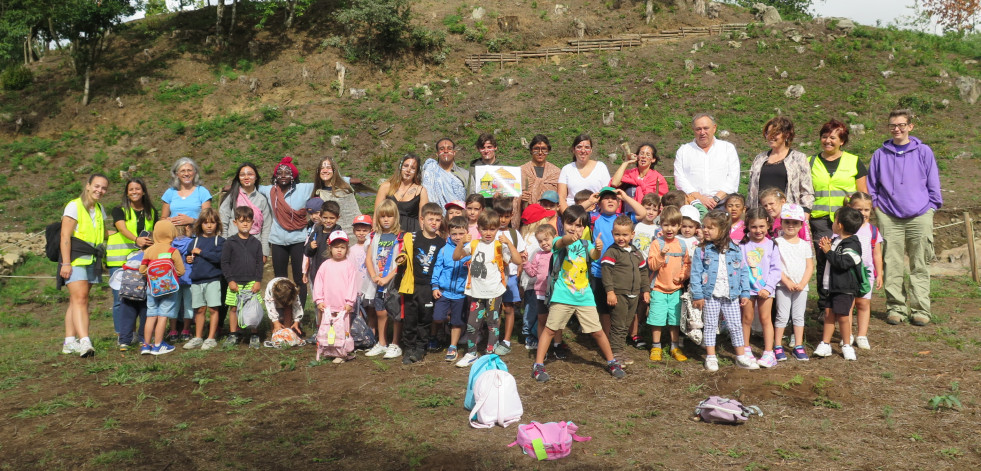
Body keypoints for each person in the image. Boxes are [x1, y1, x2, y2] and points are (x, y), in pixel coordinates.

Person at [531, 205, 626, 382]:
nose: (575, 228)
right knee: (550, 329)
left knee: (597, 331)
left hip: (584, 296)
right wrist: (569, 237)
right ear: (563, 223)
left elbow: (595, 256)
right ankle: (538, 364)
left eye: (580, 225)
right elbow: (561, 243)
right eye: (571, 223)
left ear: (585, 228)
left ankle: (611, 361)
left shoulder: (586, 243)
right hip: (562, 295)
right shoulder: (558, 241)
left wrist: (598, 248)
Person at [868, 109, 942, 326]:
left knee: (920, 263)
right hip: (889, 217)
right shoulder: (880, 154)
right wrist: (878, 209)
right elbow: (872, 185)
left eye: (901, 125)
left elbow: (933, 183)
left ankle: (921, 310)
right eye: (893, 125)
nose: (897, 129)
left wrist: (931, 208)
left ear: (910, 126)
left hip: (920, 215)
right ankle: (896, 307)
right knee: (892, 263)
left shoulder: (924, 151)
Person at [810, 119, 867, 317]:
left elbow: (863, 194)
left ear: (842, 140)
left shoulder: (854, 161)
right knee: (824, 261)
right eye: (824, 136)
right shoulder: (811, 162)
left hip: (847, 222)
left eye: (833, 137)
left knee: (846, 261)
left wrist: (862, 219)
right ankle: (824, 306)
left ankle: (846, 303)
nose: (827, 141)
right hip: (821, 221)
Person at [690, 210, 756, 371]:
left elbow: (743, 271)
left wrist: (745, 292)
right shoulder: (702, 250)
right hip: (710, 294)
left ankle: (740, 356)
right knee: (711, 325)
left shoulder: (735, 250)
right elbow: (696, 273)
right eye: (704, 226)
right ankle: (711, 356)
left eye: (710, 228)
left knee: (735, 325)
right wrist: (697, 295)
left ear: (723, 230)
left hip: (731, 294)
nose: (705, 230)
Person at [453, 208, 517, 367]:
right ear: (479, 229)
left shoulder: (499, 246)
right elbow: (456, 257)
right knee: (472, 323)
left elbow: (517, 260)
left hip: (494, 293)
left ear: (497, 229)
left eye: (492, 229)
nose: (488, 232)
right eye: (484, 228)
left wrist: (508, 243)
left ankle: (490, 354)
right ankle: (471, 353)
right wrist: (461, 242)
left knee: (493, 323)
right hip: (476, 292)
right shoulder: (474, 244)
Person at [59, 174, 110, 357]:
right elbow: (65, 236)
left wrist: (128, 234)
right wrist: (65, 263)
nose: (100, 190)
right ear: (88, 186)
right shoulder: (74, 205)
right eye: (96, 186)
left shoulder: (99, 208)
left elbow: (103, 233)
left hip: (92, 258)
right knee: (80, 298)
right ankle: (85, 341)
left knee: (77, 300)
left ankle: (69, 341)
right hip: (75, 258)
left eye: (103, 188)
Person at [106, 178, 156, 351]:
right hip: (119, 259)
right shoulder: (119, 210)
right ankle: (123, 334)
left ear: (143, 191)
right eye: (131, 189)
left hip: (141, 260)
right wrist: (136, 239)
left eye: (137, 188)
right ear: (127, 192)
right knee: (120, 299)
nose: (134, 191)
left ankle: (141, 334)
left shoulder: (151, 212)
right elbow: (121, 228)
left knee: (141, 297)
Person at [589, 187, 647, 336]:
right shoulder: (594, 217)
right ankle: (608, 339)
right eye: (606, 198)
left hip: (622, 272)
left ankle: (629, 336)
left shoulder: (623, 218)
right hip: (600, 271)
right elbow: (575, 213)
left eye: (614, 198)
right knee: (604, 309)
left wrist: (626, 198)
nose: (610, 200)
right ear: (599, 202)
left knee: (626, 306)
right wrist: (590, 201)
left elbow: (642, 213)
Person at [260, 157, 315, 307]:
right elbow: (251, 187)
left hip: (299, 240)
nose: (283, 175)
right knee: (280, 280)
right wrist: (231, 188)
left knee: (300, 279)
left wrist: (349, 181)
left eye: (287, 172)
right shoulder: (269, 190)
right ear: (275, 176)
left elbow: (325, 181)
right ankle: (283, 314)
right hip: (277, 241)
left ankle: (299, 316)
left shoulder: (305, 188)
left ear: (294, 175)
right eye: (280, 172)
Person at [394, 202, 445, 364]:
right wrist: (401, 259)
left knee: (425, 319)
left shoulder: (441, 243)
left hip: (429, 287)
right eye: (430, 219)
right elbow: (404, 254)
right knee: (410, 318)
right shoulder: (412, 237)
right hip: (412, 285)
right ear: (422, 219)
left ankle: (420, 348)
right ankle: (408, 347)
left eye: (437, 220)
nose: (434, 223)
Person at [814, 207, 865, 360]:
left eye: (835, 220)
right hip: (832, 286)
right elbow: (827, 262)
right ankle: (825, 344)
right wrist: (823, 250)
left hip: (845, 288)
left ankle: (847, 345)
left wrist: (829, 252)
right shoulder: (836, 241)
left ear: (840, 225)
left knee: (843, 316)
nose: (832, 223)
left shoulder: (853, 245)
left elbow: (843, 263)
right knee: (829, 314)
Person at [601, 215, 650, 366]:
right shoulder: (612, 252)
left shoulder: (635, 252)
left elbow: (643, 271)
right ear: (612, 233)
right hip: (619, 294)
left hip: (634, 293)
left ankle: (619, 350)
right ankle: (615, 354)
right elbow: (607, 273)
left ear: (632, 235)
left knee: (627, 323)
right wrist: (610, 292)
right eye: (617, 234)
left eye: (624, 234)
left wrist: (645, 290)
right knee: (618, 325)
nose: (621, 238)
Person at [673, 114, 740, 217]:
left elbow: (733, 178)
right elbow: (679, 179)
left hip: (722, 205)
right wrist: (700, 198)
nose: (702, 132)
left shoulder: (727, 149)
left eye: (706, 128)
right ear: (693, 130)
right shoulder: (684, 151)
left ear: (714, 128)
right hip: (693, 207)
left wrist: (715, 199)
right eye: (698, 129)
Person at [646, 206, 690, 362]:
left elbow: (687, 263)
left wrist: (683, 276)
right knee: (656, 319)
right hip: (658, 288)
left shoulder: (682, 245)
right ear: (661, 225)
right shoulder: (657, 244)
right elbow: (652, 265)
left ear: (679, 226)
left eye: (673, 225)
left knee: (675, 320)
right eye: (666, 225)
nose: (669, 229)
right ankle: (656, 346)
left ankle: (674, 346)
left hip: (676, 290)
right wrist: (662, 254)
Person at [739, 208, 781, 368]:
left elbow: (776, 269)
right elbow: (739, 268)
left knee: (765, 319)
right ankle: (745, 349)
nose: (758, 230)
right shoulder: (742, 245)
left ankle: (769, 352)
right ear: (748, 226)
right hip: (747, 291)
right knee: (747, 319)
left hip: (766, 290)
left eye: (762, 226)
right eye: (754, 227)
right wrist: (743, 289)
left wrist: (768, 288)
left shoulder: (772, 245)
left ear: (768, 225)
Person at [363, 199, 404, 359]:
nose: (386, 219)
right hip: (377, 281)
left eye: (390, 216)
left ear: (396, 217)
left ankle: (395, 344)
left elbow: (401, 262)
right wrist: (374, 276)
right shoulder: (373, 236)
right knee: (380, 312)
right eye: (382, 216)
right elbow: (368, 259)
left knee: (395, 313)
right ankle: (381, 342)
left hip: (393, 282)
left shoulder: (401, 237)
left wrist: (387, 277)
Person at [746, 116, 814, 212]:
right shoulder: (759, 158)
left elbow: (806, 190)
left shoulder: (798, 158)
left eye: (775, 133)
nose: (770, 137)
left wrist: (806, 212)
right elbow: (750, 190)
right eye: (768, 133)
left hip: (788, 215)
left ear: (787, 135)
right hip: (761, 216)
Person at [774, 204, 814, 361]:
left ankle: (798, 346)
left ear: (801, 225)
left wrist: (803, 283)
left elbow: (810, 266)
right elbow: (775, 266)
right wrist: (786, 281)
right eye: (787, 222)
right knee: (782, 315)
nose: (791, 226)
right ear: (782, 223)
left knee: (798, 316)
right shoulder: (777, 242)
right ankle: (777, 346)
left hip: (801, 287)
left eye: (795, 223)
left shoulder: (804, 245)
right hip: (783, 286)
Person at [139, 220, 185, 356]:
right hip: (169, 289)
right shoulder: (173, 251)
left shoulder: (148, 250)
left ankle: (146, 345)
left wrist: (154, 276)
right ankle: (158, 345)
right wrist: (167, 276)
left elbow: (142, 270)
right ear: (172, 234)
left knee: (151, 315)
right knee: (163, 315)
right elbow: (181, 271)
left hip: (152, 288)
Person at [220, 206, 264, 348]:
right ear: (235, 223)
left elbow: (259, 264)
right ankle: (233, 334)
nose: (245, 224)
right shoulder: (229, 242)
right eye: (241, 221)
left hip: (251, 282)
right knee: (233, 308)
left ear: (253, 223)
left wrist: (257, 281)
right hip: (235, 283)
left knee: (253, 308)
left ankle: (254, 334)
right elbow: (225, 263)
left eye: (248, 221)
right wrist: (230, 280)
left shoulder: (256, 243)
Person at [313, 231, 359, 363]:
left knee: (343, 330)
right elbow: (318, 283)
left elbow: (352, 285)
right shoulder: (325, 265)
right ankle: (327, 350)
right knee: (326, 327)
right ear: (330, 248)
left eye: (342, 247)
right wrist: (319, 300)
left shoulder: (349, 266)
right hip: (327, 306)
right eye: (336, 247)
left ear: (347, 249)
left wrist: (350, 302)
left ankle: (342, 353)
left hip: (343, 306)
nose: (339, 250)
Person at [184, 208, 224, 350]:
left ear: (217, 224)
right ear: (200, 224)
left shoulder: (220, 241)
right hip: (196, 280)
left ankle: (211, 338)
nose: (209, 226)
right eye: (205, 223)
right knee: (199, 309)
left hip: (213, 279)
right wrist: (188, 258)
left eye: (212, 223)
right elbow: (189, 256)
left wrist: (202, 253)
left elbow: (219, 258)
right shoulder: (194, 242)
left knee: (213, 308)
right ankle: (198, 337)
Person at [432, 216, 471, 362]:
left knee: (457, 321)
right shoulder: (444, 250)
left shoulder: (471, 249)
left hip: (460, 294)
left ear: (467, 232)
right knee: (437, 317)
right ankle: (444, 330)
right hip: (444, 291)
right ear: (449, 233)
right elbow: (437, 268)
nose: (457, 237)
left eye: (461, 234)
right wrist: (435, 286)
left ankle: (453, 346)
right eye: (454, 234)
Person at [518, 203, 556, 350]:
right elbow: (534, 266)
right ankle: (530, 335)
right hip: (535, 283)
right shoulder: (535, 241)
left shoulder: (529, 237)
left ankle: (537, 335)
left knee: (537, 310)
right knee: (533, 310)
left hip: (536, 282)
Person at [848, 193, 884, 349]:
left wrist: (880, 273)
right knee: (848, 304)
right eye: (859, 209)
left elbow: (877, 253)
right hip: (847, 272)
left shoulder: (873, 231)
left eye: (866, 210)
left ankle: (862, 335)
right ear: (850, 208)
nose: (863, 213)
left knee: (863, 303)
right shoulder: (845, 227)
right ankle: (847, 334)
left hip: (866, 273)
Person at [492, 195, 526, 356]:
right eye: (500, 216)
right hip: (493, 276)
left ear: (512, 216)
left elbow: (520, 255)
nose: (503, 220)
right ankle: (494, 337)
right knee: (495, 308)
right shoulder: (490, 231)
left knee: (509, 307)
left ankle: (506, 340)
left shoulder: (514, 234)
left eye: (506, 216)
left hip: (510, 276)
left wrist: (518, 274)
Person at [219, 163, 271, 259]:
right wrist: (224, 246)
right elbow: (223, 223)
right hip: (233, 246)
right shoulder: (232, 197)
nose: (246, 177)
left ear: (256, 177)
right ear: (239, 178)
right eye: (242, 175)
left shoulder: (262, 199)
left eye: (250, 174)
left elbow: (266, 227)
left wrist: (264, 251)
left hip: (255, 247)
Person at [513, 134, 561, 228]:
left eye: (544, 149)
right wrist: (520, 198)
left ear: (548, 151)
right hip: (527, 221)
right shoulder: (521, 171)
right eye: (536, 149)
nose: (540, 152)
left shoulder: (556, 173)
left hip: (549, 221)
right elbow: (513, 197)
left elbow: (560, 198)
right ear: (531, 150)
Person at [376, 153, 428, 234]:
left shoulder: (421, 190)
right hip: (389, 231)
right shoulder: (386, 187)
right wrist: (374, 232)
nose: (408, 170)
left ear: (416, 171)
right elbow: (377, 212)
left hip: (412, 232)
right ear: (400, 167)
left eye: (413, 168)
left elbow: (423, 218)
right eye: (406, 166)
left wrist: (424, 236)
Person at [557, 134, 611, 212]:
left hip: (596, 213)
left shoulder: (601, 167)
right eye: (579, 147)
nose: (583, 151)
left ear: (591, 150)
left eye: (587, 147)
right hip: (572, 213)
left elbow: (607, 193)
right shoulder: (566, 169)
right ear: (573, 150)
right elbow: (561, 197)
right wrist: (567, 215)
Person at [312, 156, 362, 236]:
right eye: (322, 168)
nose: (325, 171)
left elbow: (352, 214)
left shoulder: (344, 191)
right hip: (325, 234)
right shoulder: (318, 192)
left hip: (347, 233)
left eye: (328, 168)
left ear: (334, 170)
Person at [610, 142, 669, 207]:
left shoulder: (658, 178)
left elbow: (663, 201)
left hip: (648, 214)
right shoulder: (629, 174)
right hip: (627, 214)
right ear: (637, 156)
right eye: (641, 153)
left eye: (648, 155)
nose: (644, 156)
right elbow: (614, 183)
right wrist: (626, 162)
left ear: (653, 159)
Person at [161, 157, 212, 228]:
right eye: (182, 171)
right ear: (177, 174)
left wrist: (191, 221)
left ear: (195, 173)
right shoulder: (170, 192)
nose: (186, 174)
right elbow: (163, 218)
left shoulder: (202, 192)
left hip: (195, 236)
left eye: (189, 170)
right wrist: (168, 221)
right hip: (174, 236)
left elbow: (208, 219)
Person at [422, 138, 468, 210]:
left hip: (458, 218)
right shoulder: (428, 173)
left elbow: (470, 200)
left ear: (454, 152)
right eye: (442, 149)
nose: (446, 151)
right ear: (437, 154)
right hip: (434, 217)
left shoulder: (465, 174)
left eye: (449, 148)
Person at [264, 277, 305, 348]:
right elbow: (270, 308)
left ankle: (287, 332)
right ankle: (275, 335)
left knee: (288, 309)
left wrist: (296, 321)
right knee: (274, 319)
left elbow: (297, 306)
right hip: (273, 300)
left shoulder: (293, 291)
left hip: (288, 299)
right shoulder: (270, 290)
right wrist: (275, 322)